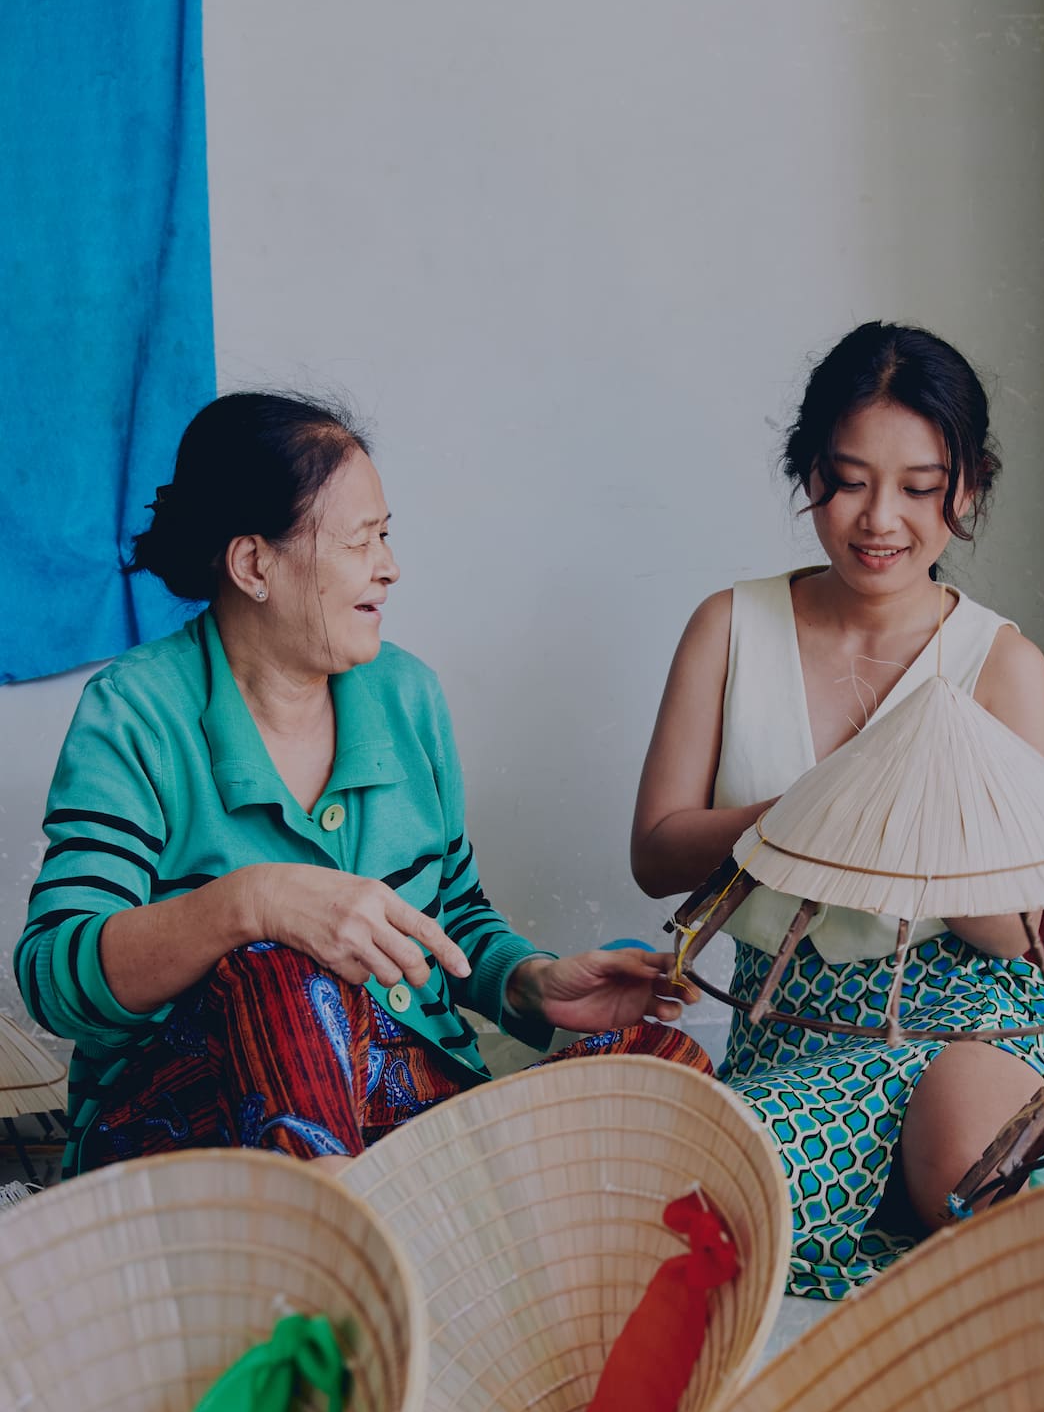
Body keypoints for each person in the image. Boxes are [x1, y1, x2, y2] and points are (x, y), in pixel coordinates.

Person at [16, 391, 699, 1177]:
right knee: (281, 964)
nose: (389, 567)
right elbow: (53, 974)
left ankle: (385, 1212)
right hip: (187, 1122)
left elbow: (453, 915)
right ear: (253, 564)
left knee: (661, 1068)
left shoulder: (408, 697)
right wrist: (254, 903)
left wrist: (532, 985)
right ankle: (352, 1243)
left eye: (386, 535)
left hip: (402, 1105)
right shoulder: (137, 709)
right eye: (359, 541)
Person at [632, 322, 1044, 1298]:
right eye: (848, 479)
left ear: (968, 488)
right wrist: (813, 809)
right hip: (796, 1017)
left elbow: (1006, 936)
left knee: (962, 1129)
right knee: (699, 1204)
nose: (878, 518)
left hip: (964, 1008)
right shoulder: (730, 628)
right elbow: (657, 851)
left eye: (919, 486)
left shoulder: (1001, 665)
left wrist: (936, 831)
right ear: (808, 470)